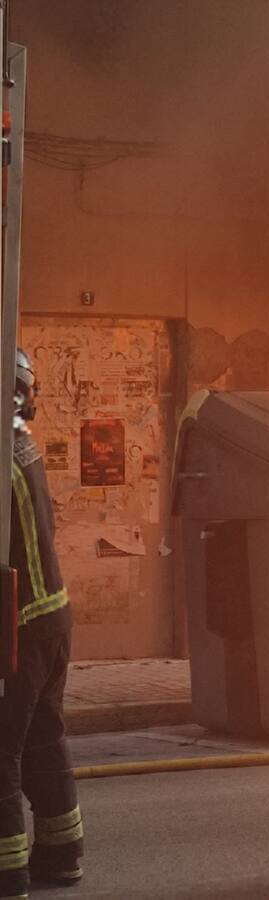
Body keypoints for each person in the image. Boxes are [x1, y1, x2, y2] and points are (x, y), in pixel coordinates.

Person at [0, 349, 83, 900]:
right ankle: (62, 853)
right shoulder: (21, 446)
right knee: (43, 739)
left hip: (17, 629)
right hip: (51, 618)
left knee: (1, 749)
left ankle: (7, 874)